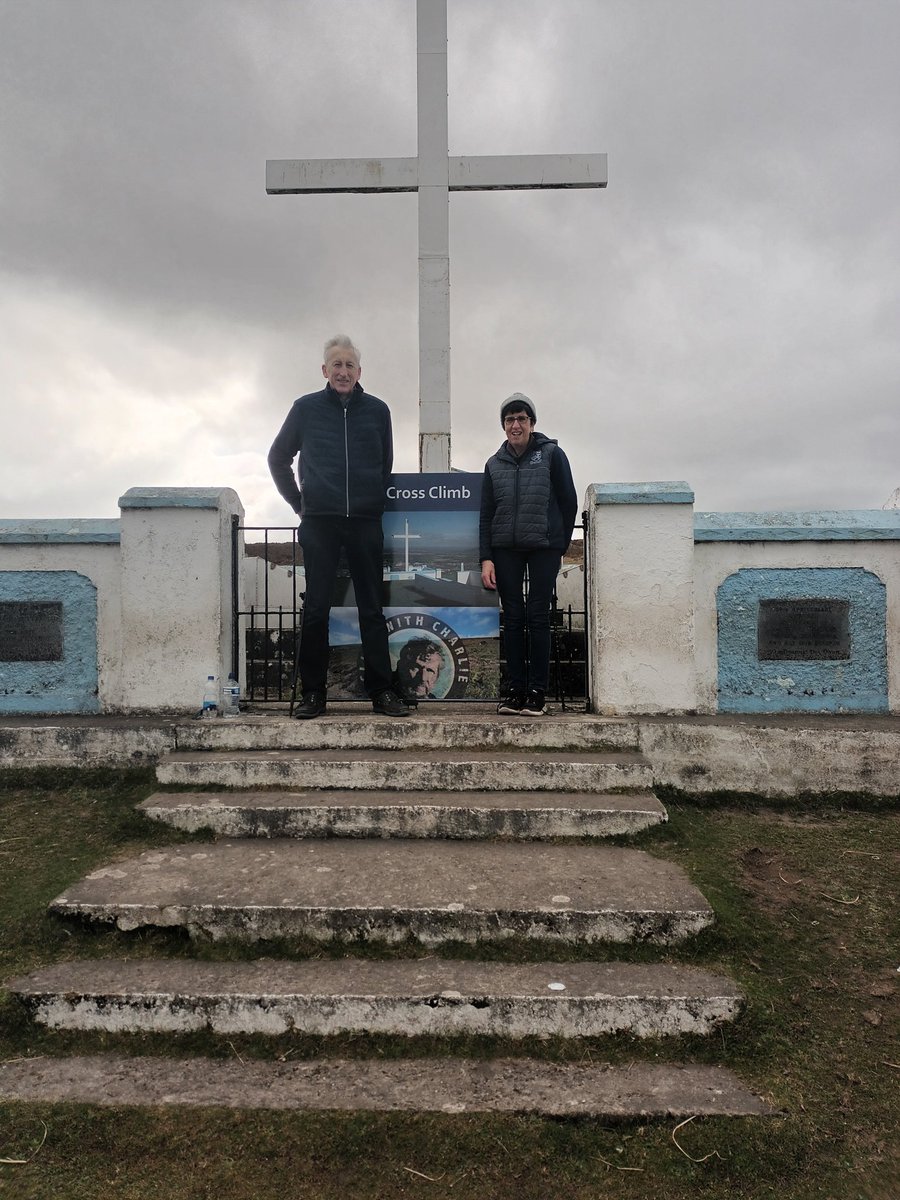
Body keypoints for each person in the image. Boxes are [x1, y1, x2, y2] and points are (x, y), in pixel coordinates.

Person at [267, 335, 409, 719]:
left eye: (349, 365)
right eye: (336, 365)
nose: (343, 371)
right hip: (320, 524)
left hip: (365, 523)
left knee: (372, 609)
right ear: (324, 370)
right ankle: (313, 694)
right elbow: (277, 458)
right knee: (316, 609)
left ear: (359, 372)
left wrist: (370, 502)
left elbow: (384, 464)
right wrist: (300, 504)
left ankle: (382, 691)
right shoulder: (305, 409)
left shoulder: (378, 411)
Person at [479, 393, 578, 716]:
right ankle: (515, 690)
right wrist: (486, 557)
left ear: (532, 423)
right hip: (505, 549)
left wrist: (559, 544)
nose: (516, 425)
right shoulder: (494, 464)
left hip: (543, 548)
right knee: (513, 618)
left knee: (537, 617)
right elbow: (486, 513)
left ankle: (537, 691)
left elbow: (568, 501)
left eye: (522, 418)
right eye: (510, 420)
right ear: (503, 426)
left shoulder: (552, 455)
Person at [395, 636, 446, 704]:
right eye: (415, 668)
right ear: (401, 668)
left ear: (437, 676)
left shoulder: (438, 703)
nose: (423, 678)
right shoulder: (386, 696)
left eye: (430, 671)